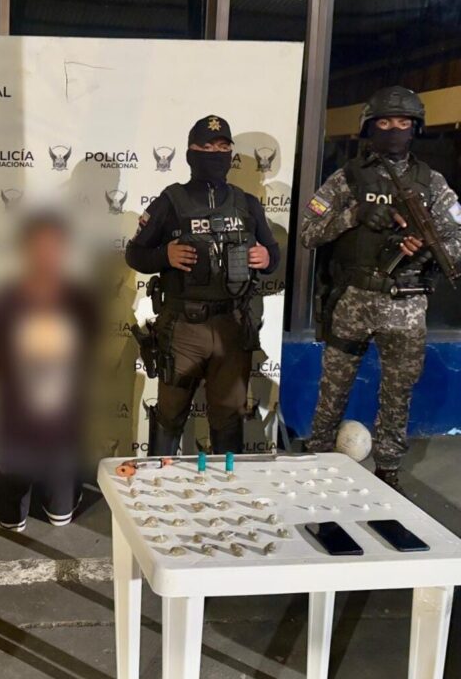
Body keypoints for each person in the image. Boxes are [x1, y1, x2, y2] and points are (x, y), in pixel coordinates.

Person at [302, 86, 461, 490]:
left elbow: (456, 242)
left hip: (407, 304)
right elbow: (309, 232)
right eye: (385, 122)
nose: (394, 130)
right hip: (354, 299)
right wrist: (355, 214)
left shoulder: (432, 183)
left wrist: (424, 249)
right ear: (370, 127)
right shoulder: (348, 178)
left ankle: (388, 471)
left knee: (397, 393)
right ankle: (318, 460)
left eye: (403, 123)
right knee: (333, 387)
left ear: (415, 128)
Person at [125, 114, 280, 455]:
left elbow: (273, 256)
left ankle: (228, 483)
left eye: (223, 147)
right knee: (170, 414)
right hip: (183, 329)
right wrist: (164, 255)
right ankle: (160, 482)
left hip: (232, 327)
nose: (215, 153)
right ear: (191, 153)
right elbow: (134, 254)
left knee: (228, 417)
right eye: (207, 147)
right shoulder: (170, 201)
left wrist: (266, 257)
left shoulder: (247, 203)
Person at [0, 211, 98, 533]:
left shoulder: (79, 300)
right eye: (38, 248)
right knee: (10, 523)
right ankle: (11, 494)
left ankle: (54, 487)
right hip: (15, 421)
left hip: (59, 422)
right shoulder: (1, 300)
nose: (46, 256)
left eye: (53, 248)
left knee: (61, 520)